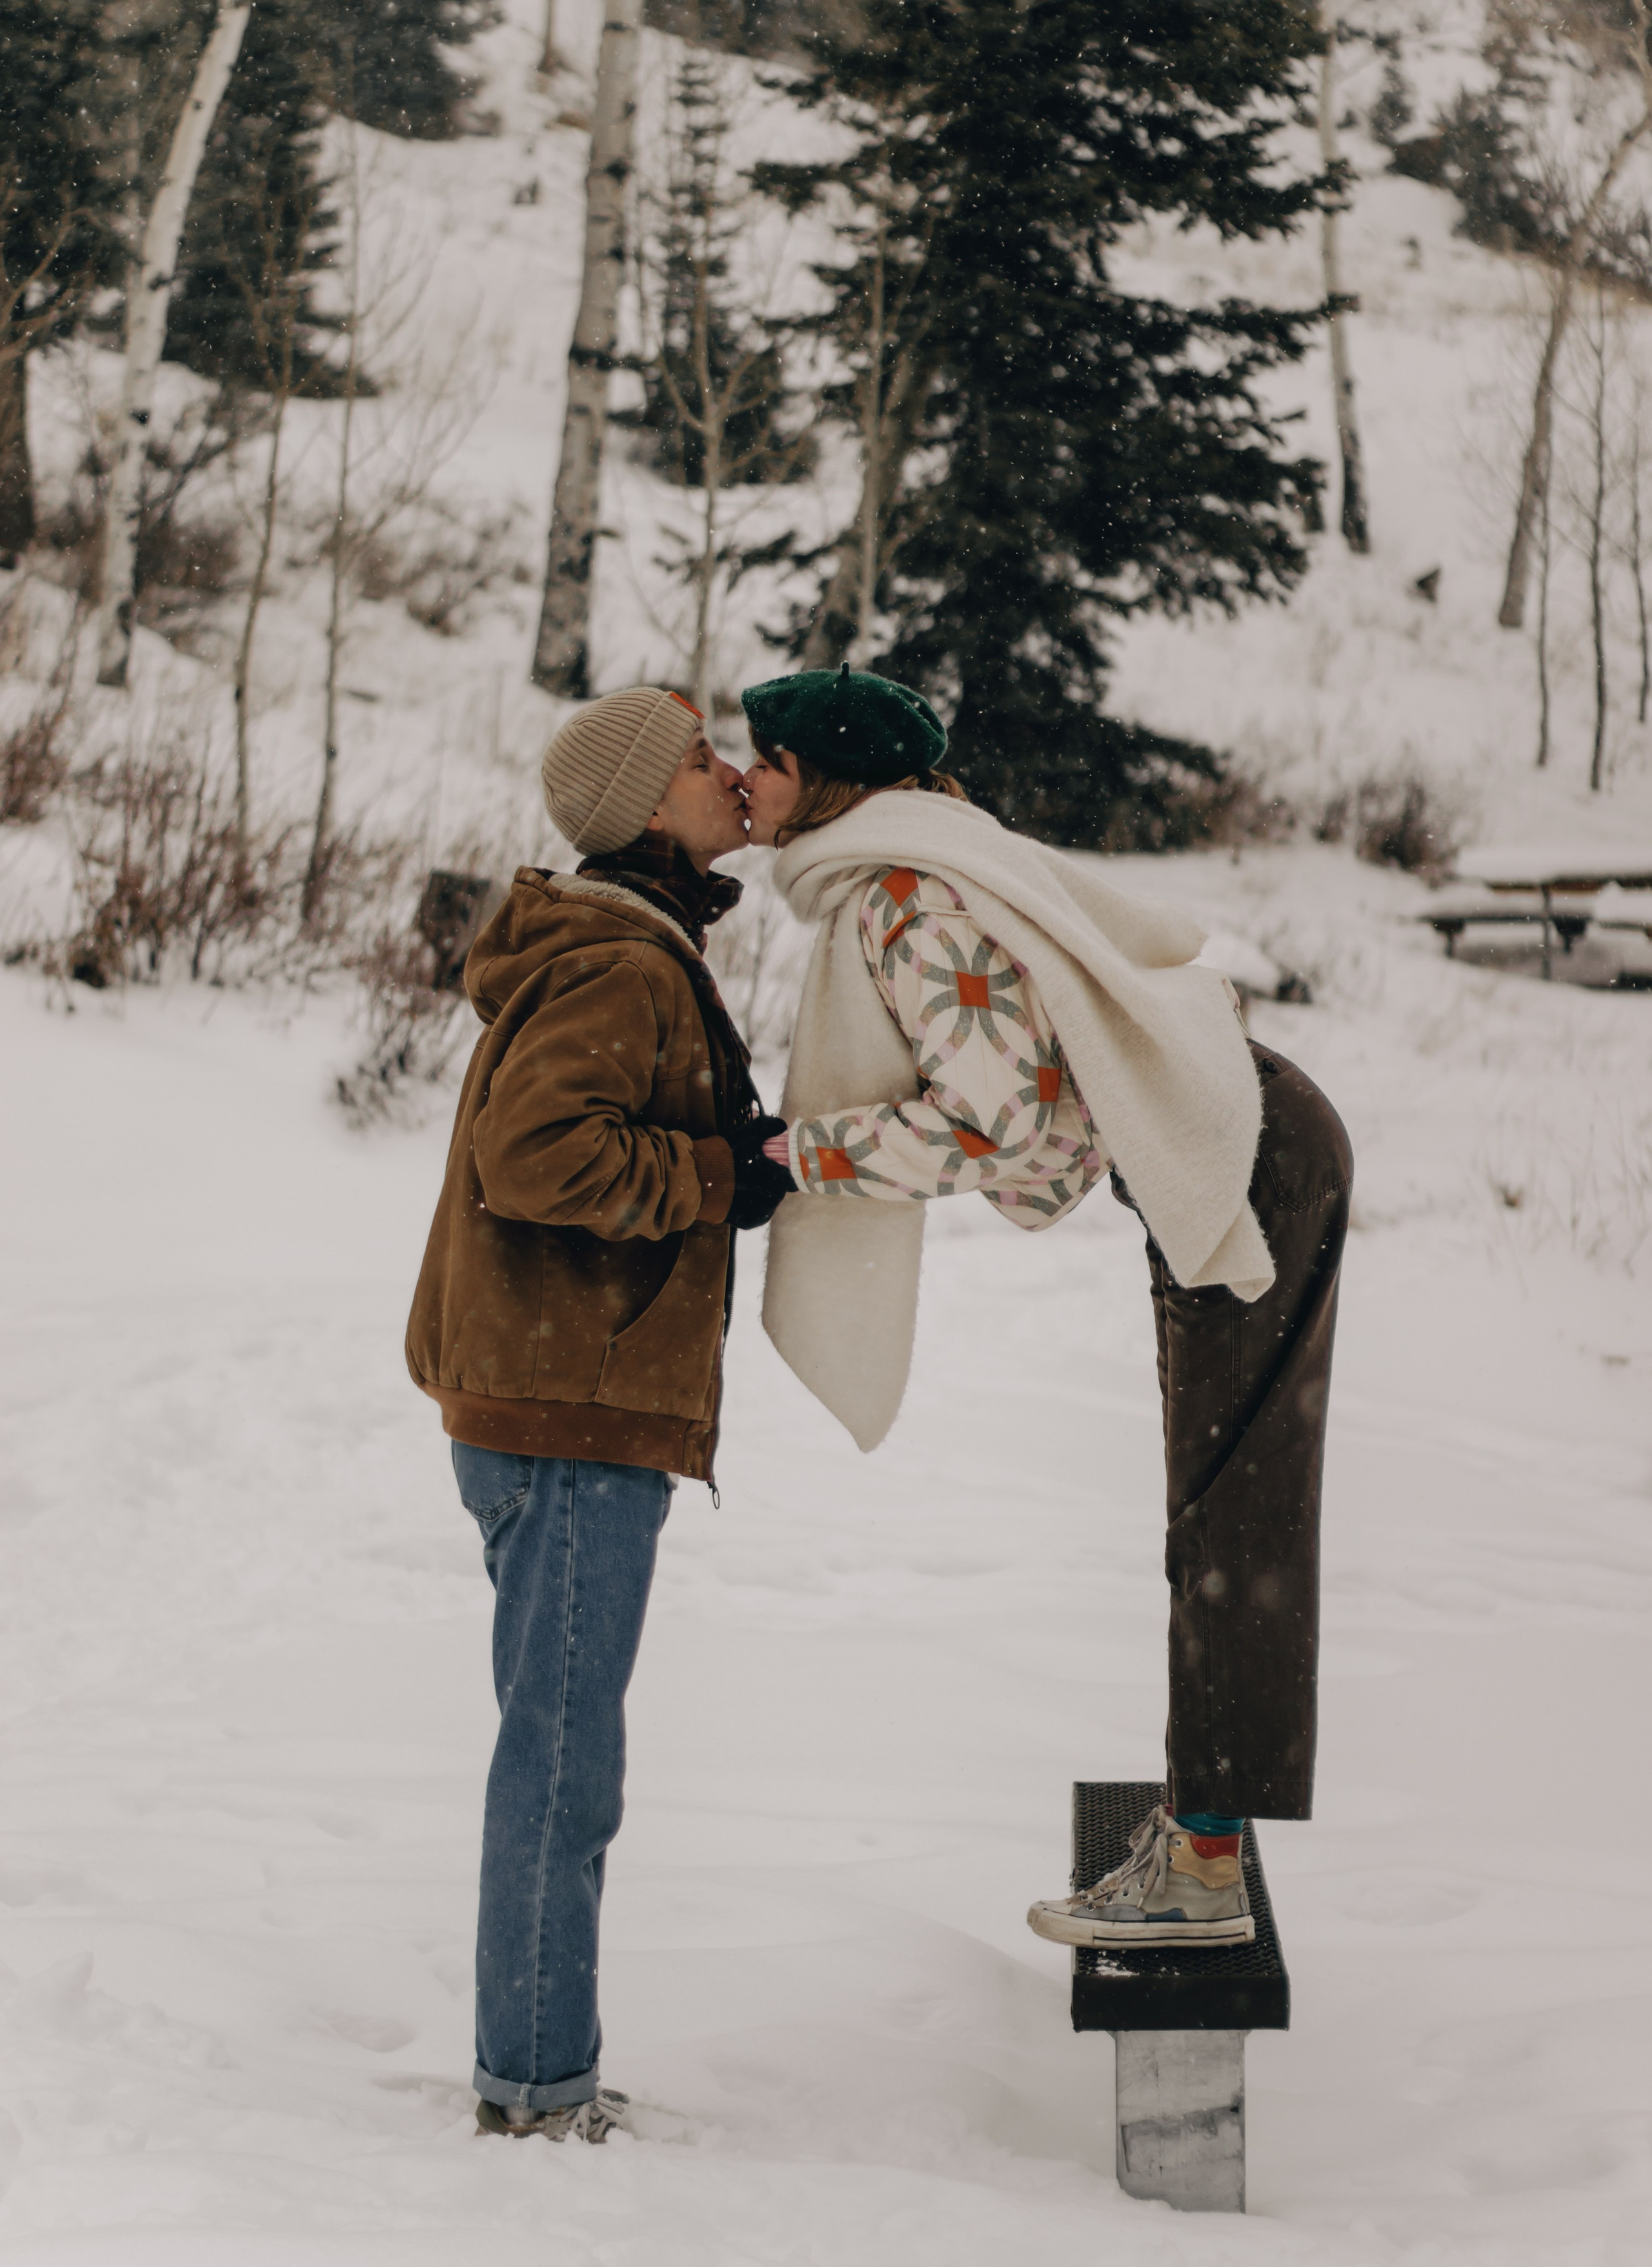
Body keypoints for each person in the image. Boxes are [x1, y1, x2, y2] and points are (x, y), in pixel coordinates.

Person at [738, 666, 1352, 1949]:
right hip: (1228, 1134)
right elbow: (1034, 1118)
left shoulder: (899, 893)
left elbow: (995, 1119)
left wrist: (797, 1154)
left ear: (827, 779)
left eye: (768, 759)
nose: (747, 778)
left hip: (1240, 1152)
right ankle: (1200, 1830)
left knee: (1232, 1510)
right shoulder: (911, 857)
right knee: (1217, 1505)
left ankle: (1200, 1866)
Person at [405, 687, 792, 2142]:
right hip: (566, 1408)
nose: (727, 773)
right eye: (699, 759)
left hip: (561, 1398)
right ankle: (533, 2086)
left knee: (560, 1746)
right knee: (563, 1762)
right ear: (642, 804)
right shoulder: (625, 966)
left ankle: (536, 2064)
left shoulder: (636, 948)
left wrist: (726, 1150)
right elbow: (537, 1156)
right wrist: (712, 1175)